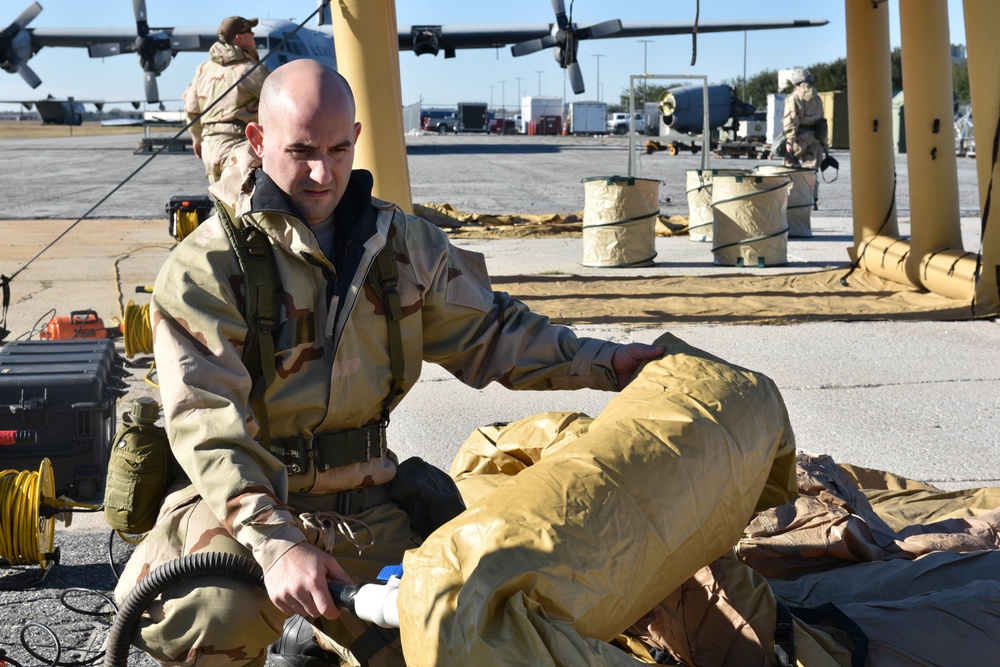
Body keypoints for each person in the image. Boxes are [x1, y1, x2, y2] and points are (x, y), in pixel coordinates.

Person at [115, 58, 664, 667]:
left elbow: (494, 330)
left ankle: (314, 644)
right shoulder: (208, 268)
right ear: (257, 140)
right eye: (300, 151)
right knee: (212, 615)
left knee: (475, 625)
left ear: (355, 139)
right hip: (246, 510)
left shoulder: (401, 245)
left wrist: (608, 362)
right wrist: (277, 547)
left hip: (369, 509)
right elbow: (208, 427)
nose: (323, 173)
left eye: (336, 149)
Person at [182, 15, 270, 184]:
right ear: (239, 38)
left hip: (210, 146)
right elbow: (280, 100)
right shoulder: (249, 70)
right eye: (250, 32)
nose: (253, 35)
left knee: (221, 204)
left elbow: (191, 109)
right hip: (239, 147)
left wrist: (197, 140)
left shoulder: (203, 69)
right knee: (245, 204)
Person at [782, 67, 827, 204]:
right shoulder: (817, 99)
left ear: (795, 82)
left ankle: (790, 199)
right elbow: (822, 123)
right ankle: (812, 199)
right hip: (815, 139)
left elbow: (791, 120)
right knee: (810, 171)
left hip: (798, 139)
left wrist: (789, 140)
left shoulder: (794, 98)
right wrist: (824, 144)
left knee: (789, 168)